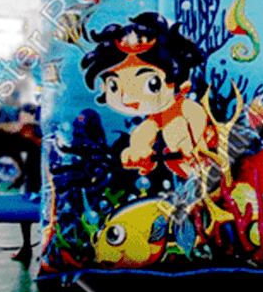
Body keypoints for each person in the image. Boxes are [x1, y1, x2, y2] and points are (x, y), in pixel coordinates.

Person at [81, 13, 215, 180]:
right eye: (114, 86)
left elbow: (197, 117)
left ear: (179, 84)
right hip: (190, 171)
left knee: (177, 126)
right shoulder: (156, 118)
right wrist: (137, 151)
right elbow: (143, 133)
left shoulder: (184, 108)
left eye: (152, 84)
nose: (127, 99)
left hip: (214, 154)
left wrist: (194, 142)